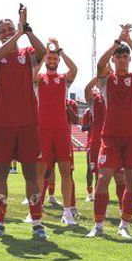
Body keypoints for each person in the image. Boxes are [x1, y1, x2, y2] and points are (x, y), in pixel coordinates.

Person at [0, 5, 48, 240]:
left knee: (31, 174)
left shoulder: (26, 53)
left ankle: (37, 224)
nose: (7, 32)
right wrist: (17, 33)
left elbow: (42, 52)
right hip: (2, 122)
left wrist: (27, 31)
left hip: (27, 123)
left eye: (10, 29)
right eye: (3, 30)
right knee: (0, 173)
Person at [86, 25, 132, 239]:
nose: (122, 59)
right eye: (118, 56)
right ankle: (98, 225)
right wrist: (116, 42)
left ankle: (125, 225)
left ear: (128, 60)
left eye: (125, 56)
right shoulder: (106, 80)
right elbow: (100, 64)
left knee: (131, 181)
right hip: (110, 138)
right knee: (103, 178)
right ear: (114, 60)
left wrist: (129, 42)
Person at [35, 38, 79, 224]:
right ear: (45, 60)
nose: (52, 60)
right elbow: (31, 74)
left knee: (65, 172)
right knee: (39, 173)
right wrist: (44, 52)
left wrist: (60, 51)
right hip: (42, 129)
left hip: (61, 130)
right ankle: (34, 211)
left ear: (58, 60)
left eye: (55, 58)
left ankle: (67, 212)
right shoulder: (39, 78)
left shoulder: (63, 79)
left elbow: (74, 70)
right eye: (49, 58)